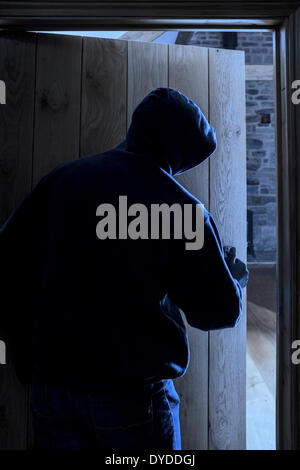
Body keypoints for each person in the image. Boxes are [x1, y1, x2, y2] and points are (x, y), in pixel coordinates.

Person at [0, 87, 248, 450]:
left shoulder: (62, 180)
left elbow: (6, 261)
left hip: (52, 388)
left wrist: (27, 358)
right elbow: (217, 311)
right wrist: (233, 279)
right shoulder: (183, 210)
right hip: (132, 397)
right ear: (178, 152)